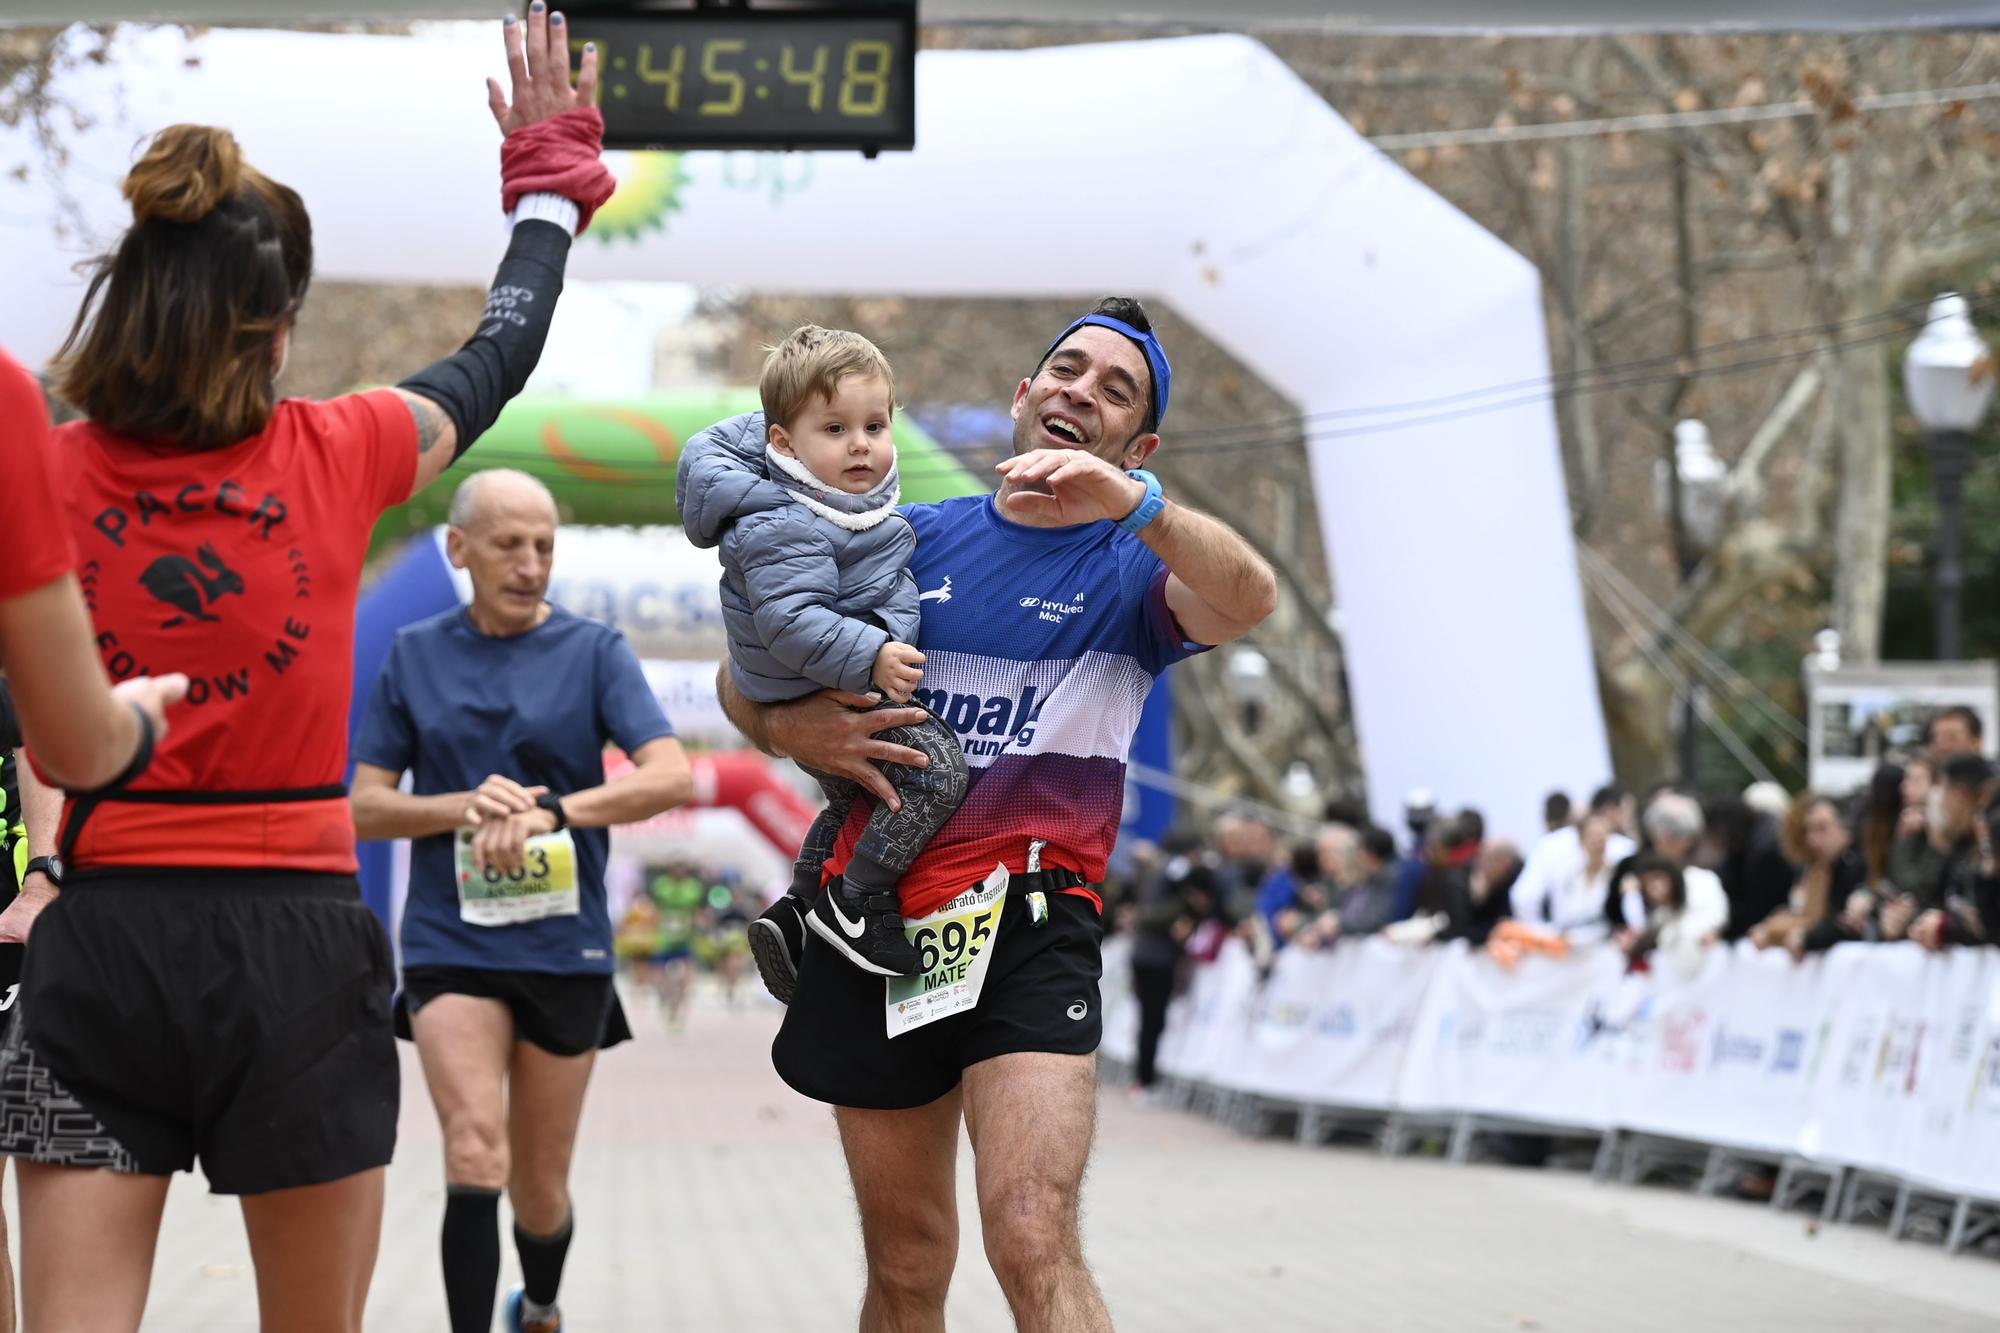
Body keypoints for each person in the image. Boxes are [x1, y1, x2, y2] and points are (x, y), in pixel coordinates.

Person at [0, 15, 607, 1328]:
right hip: (300, 953)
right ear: (278, 332)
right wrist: (548, 198)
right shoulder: (343, 448)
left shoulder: (40, 469)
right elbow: (495, 358)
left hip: (99, 943)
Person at [703, 298, 1276, 1330]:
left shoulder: (1138, 568)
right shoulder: (902, 536)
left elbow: (1249, 597)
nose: (1081, 393)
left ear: (1137, 446)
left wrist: (1137, 507)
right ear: (1023, 395)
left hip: (1030, 917)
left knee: (1028, 1231)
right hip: (877, 927)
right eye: (1067, 370)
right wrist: (795, 730)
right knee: (907, 1259)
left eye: (1116, 391)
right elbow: (742, 676)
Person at [350, 470, 690, 1333]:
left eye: (544, 544)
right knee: (474, 1150)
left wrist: (554, 812)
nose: (531, 563)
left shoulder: (594, 650)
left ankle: (538, 1306)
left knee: (540, 1187)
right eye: (509, 543)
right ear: (459, 548)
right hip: (449, 940)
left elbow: (669, 775)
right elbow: (364, 804)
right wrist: (460, 806)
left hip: (563, 945)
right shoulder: (414, 651)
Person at [681, 325, 969, 987]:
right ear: (784, 444)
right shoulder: (786, 518)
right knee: (934, 771)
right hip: (817, 685)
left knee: (848, 807)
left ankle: (800, 906)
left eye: (875, 425)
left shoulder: (836, 504)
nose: (860, 444)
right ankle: (857, 902)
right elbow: (789, 620)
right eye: (835, 429)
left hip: (816, 683)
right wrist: (873, 653)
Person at [1748, 795, 1866, 957]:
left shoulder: (1855, 867)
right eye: (1808, 830)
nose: (1811, 840)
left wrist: (1783, 933)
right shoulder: (1814, 869)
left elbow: (1828, 920)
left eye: (1822, 829)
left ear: (1846, 829)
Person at [1511, 786, 1636, 939]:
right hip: (1574, 938)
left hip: (1599, 938)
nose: (1597, 843)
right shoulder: (1623, 848)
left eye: (1600, 837)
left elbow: (1523, 898)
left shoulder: (1549, 846)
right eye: (1592, 837)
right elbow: (1524, 898)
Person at [1621, 853, 1729, 977]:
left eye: (1657, 878)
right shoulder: (1661, 914)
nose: (1654, 888)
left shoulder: (1698, 881)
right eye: (1647, 884)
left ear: (1671, 875)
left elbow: (1716, 917)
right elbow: (1643, 929)